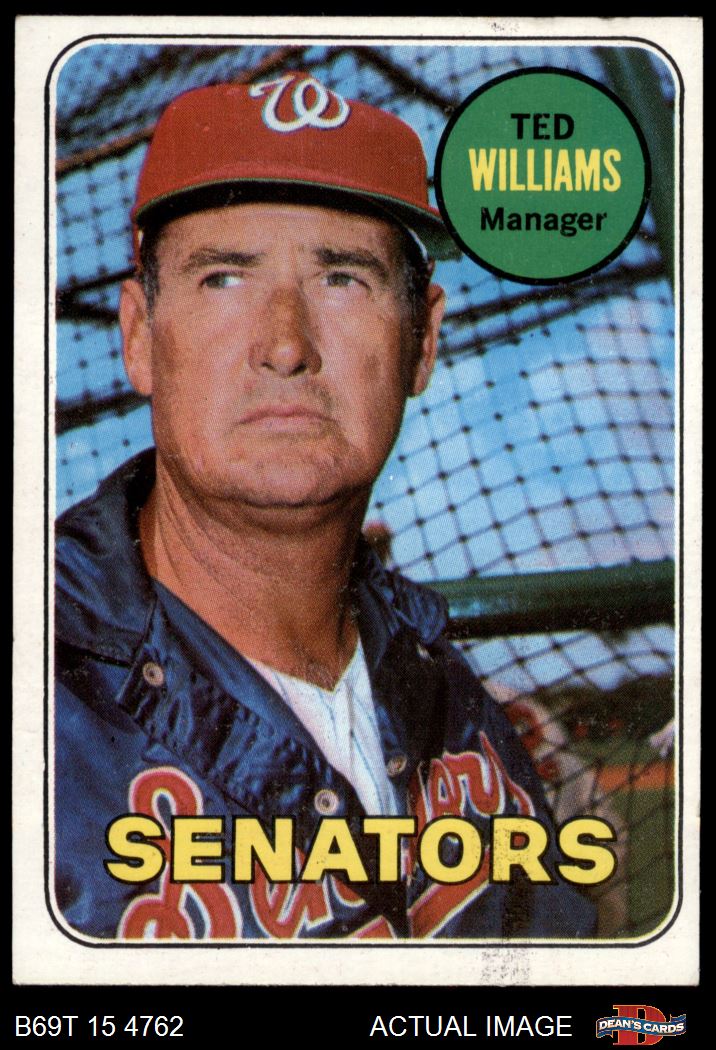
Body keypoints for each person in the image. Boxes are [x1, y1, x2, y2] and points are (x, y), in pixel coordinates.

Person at [54, 72, 596, 940]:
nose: (285, 344)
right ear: (139, 336)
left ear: (423, 341)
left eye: (343, 278)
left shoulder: (452, 705)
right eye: (223, 279)